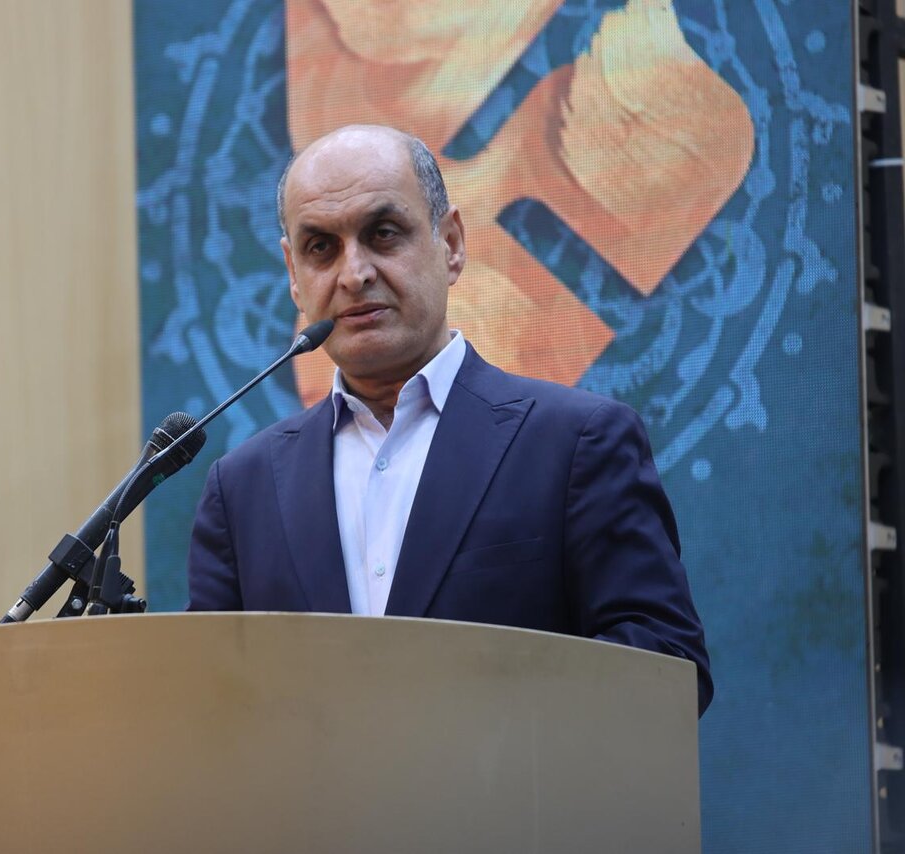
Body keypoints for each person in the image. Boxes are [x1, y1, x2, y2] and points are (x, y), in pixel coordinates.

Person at [185, 124, 712, 715]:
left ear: (452, 244)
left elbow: (666, 668)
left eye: (384, 234)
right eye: (321, 248)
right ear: (293, 274)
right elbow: (210, 705)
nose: (354, 274)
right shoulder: (243, 489)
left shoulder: (576, 443)